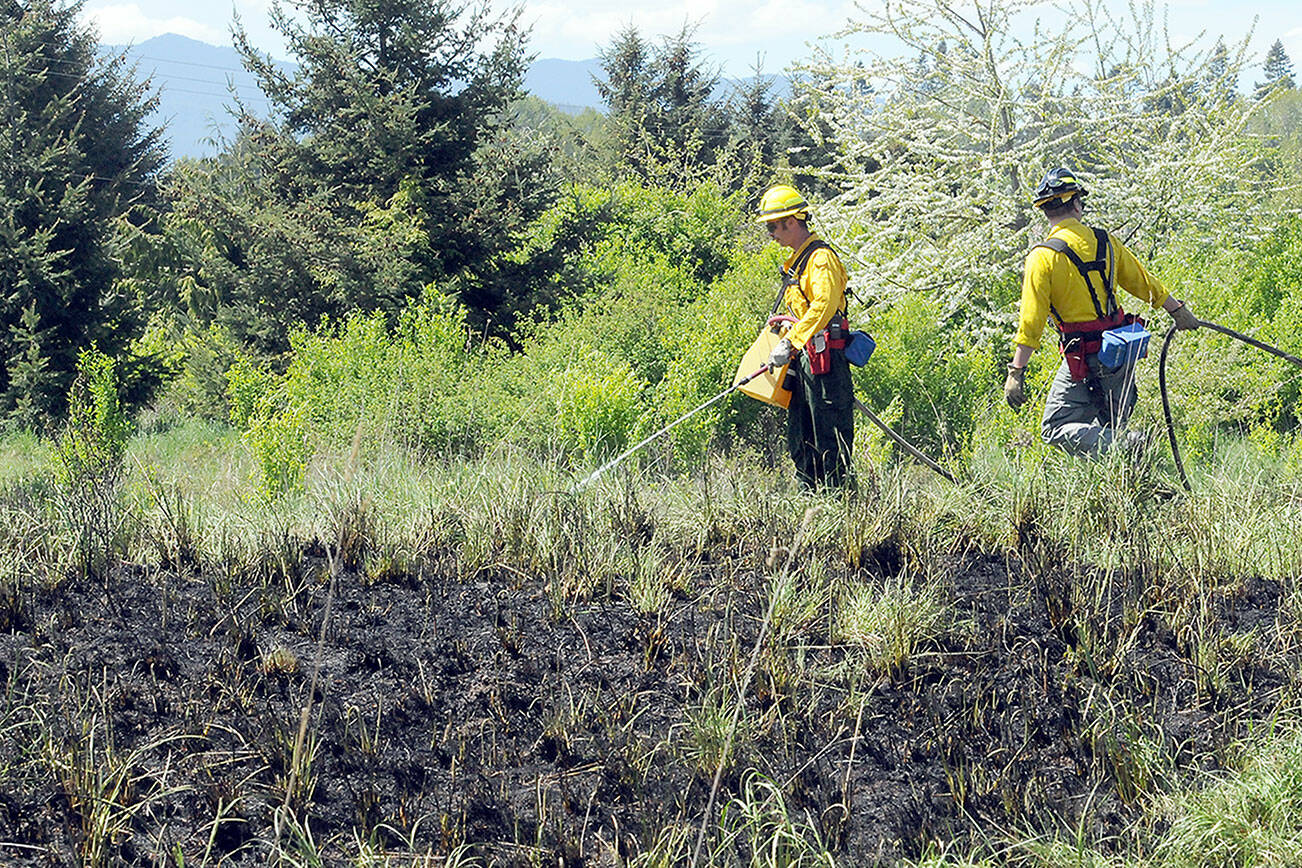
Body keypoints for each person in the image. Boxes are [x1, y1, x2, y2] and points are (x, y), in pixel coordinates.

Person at [1005, 167, 1200, 456]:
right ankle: (1132, 479)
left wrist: (1016, 371)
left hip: (1080, 359)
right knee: (1112, 427)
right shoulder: (1106, 242)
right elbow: (1143, 283)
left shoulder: (1042, 257)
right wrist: (1178, 311)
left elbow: (1030, 323)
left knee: (1056, 428)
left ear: (1046, 211)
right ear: (1076, 204)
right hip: (1119, 352)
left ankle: (1129, 447)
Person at [757, 183, 855, 487]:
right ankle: (810, 505)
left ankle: (842, 507)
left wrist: (791, 341)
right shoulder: (797, 263)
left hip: (826, 362)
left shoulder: (820, 260)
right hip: (804, 362)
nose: (770, 233)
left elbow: (824, 306)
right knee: (801, 437)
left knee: (831, 439)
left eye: (773, 226)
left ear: (792, 222)